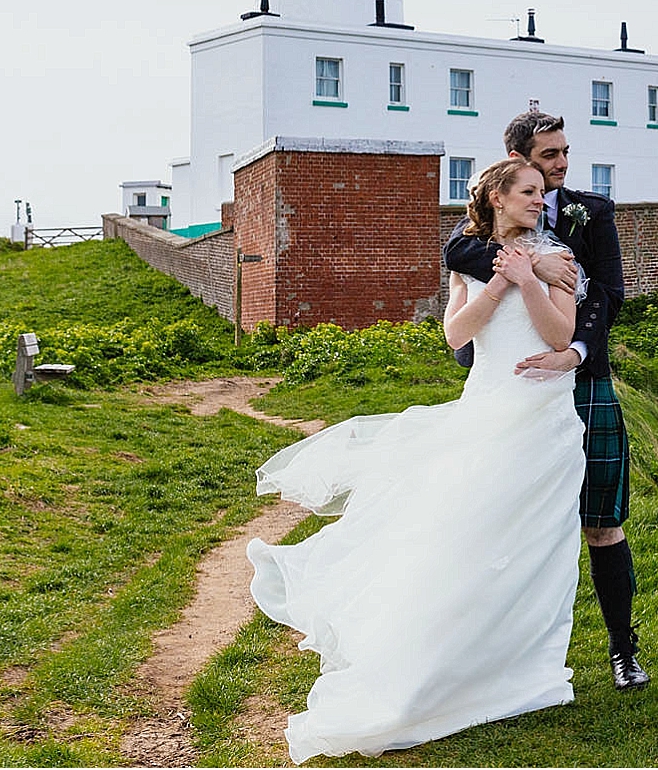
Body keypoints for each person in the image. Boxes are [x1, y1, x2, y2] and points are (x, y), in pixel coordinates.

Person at [246, 158, 588, 762]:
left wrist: (532, 279)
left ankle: (522, 667)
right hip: (490, 413)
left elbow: (561, 339)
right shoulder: (470, 258)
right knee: (470, 539)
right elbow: (458, 336)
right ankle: (445, 666)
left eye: (542, 191)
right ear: (499, 199)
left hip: (547, 421)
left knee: (538, 549)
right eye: (530, 191)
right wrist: (505, 281)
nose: (542, 198)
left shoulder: (557, 259)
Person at [444, 110, 650, 690]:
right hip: (514, 383)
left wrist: (577, 351)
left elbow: (609, 293)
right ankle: (496, 654)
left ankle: (622, 650)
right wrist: (532, 263)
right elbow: (460, 256)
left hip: (584, 377)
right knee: (504, 521)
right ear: (516, 162)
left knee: (603, 521)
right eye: (547, 156)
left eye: (564, 153)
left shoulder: (593, 212)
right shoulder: (482, 229)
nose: (560, 165)